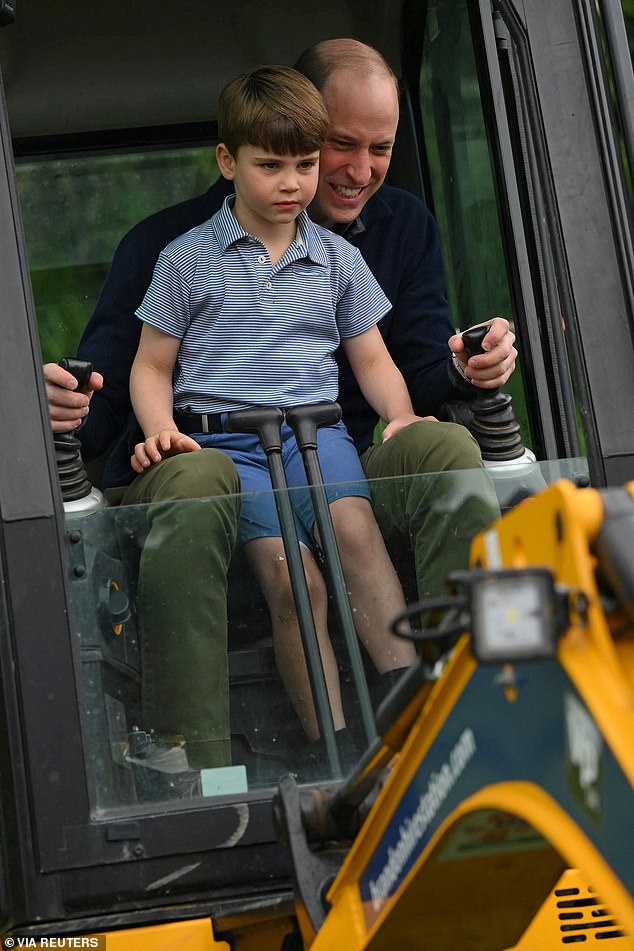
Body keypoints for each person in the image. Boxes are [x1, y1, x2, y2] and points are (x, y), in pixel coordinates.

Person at [44, 38, 516, 772]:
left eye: (380, 148)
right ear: (255, 145)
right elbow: (126, 379)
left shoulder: (381, 239)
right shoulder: (173, 251)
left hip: (331, 445)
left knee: (445, 454)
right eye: (334, 147)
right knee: (270, 553)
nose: (353, 171)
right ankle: (202, 764)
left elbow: (397, 363)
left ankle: (457, 716)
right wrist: (78, 412)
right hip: (213, 452)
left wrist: (461, 370)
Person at [128, 66, 417, 749]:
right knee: (295, 582)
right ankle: (338, 746)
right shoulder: (187, 259)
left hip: (318, 435)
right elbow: (151, 364)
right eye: (272, 165)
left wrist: (399, 416)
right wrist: (163, 432)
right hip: (231, 448)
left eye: (306, 165)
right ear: (227, 161)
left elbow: (371, 357)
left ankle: (415, 715)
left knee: (357, 538)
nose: (293, 183)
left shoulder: (337, 258)